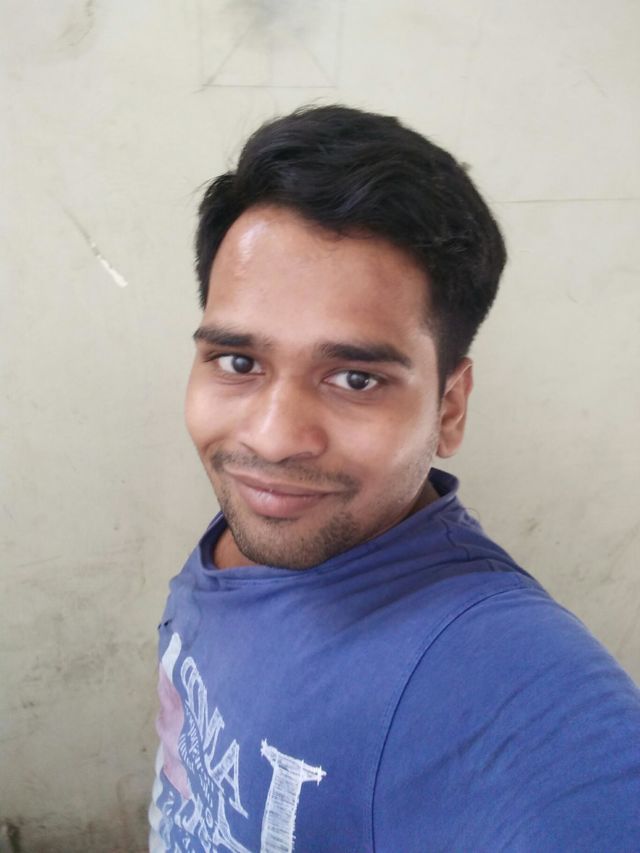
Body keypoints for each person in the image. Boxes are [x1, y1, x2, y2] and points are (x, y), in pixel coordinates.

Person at [149, 105, 640, 852]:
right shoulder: (250, 531)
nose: (272, 438)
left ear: (449, 407)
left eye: (355, 378)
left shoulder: (497, 672)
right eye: (239, 362)